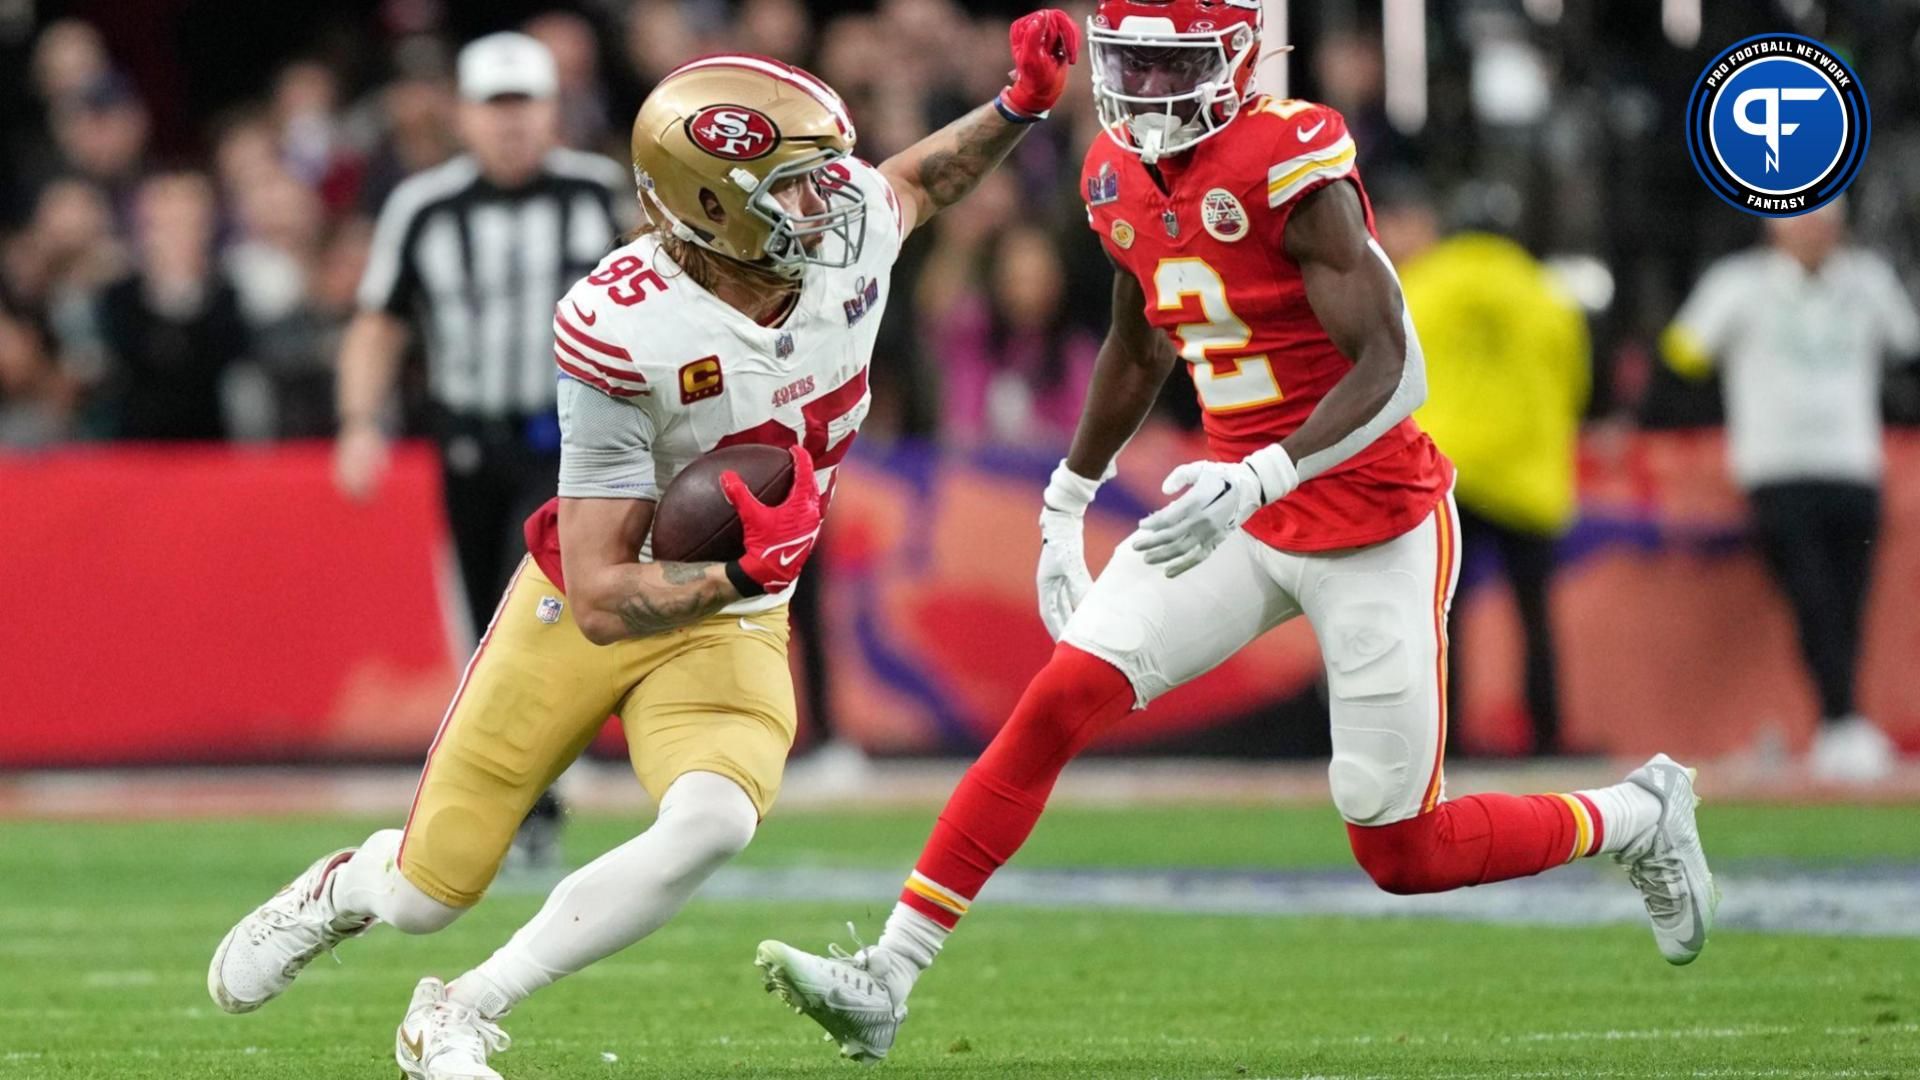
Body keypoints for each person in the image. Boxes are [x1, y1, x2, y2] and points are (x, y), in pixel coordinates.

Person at [755, 0, 1715, 1062]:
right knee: (1058, 701)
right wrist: (1068, 496)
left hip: (1370, 518)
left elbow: (1395, 369)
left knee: (1400, 849)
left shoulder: (1291, 159)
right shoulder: (1114, 171)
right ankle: (886, 974)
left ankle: (1636, 816)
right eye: (1131, 66)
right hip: (1237, 509)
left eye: (1172, 69)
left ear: (1233, 62)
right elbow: (1137, 343)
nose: (1146, 93)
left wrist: (1265, 470)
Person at [208, 16, 1081, 1080]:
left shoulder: (846, 225)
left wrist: (1016, 107)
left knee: (715, 820)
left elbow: (920, 184)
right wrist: (736, 569)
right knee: (428, 896)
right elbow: (602, 592)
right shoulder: (627, 328)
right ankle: (345, 887)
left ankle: (463, 1009)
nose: (833, 200)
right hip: (595, 601)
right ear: (714, 205)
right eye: (795, 187)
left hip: (736, 618)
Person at [333, 32, 632, 866]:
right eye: (495, 108)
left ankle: (533, 786)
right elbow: (378, 320)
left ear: (552, 109)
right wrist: (360, 421)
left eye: (525, 105)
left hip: (570, 444)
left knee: (527, 601)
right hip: (467, 441)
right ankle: (527, 796)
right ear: (465, 115)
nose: (510, 125)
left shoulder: (599, 193)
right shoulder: (424, 206)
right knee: (481, 620)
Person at [1663, 201, 1920, 783]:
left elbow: (1907, 350)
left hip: (1853, 462)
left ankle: (1843, 722)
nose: (1812, 235)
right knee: (1812, 596)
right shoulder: (1738, 284)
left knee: (1851, 602)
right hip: (1776, 465)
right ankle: (1840, 719)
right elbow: (1682, 355)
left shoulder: (1869, 281)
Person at [1375, 180, 1590, 756]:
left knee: (1442, 612)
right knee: (1534, 614)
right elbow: (1575, 385)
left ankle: (1447, 737)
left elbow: (1387, 369)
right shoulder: (1547, 292)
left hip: (1447, 473)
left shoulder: (1423, 282)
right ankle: (1547, 735)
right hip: (1528, 480)